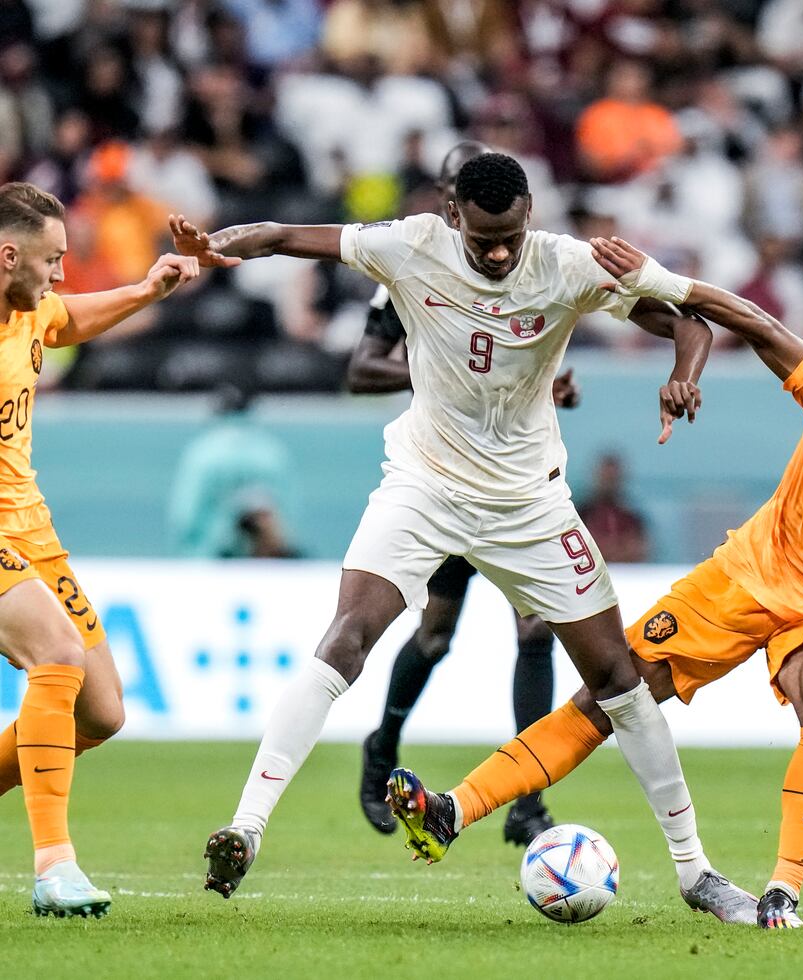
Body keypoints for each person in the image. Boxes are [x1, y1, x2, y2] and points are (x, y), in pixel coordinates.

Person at [171, 151, 758, 923]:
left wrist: (684, 372)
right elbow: (284, 234)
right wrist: (219, 244)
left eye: (512, 235)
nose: (500, 253)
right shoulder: (409, 245)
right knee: (349, 635)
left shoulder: (565, 263)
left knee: (619, 677)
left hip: (529, 505)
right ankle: (245, 829)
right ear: (454, 217)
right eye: (485, 239)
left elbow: (687, 320)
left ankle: (695, 872)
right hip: (425, 485)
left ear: (529, 216)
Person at [393, 234, 803, 931]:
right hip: (736, 582)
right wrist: (661, 280)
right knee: (607, 700)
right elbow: (761, 326)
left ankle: (783, 892)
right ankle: (453, 812)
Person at [349, 141, 577, 846]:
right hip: (444, 478)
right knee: (436, 633)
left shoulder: (531, 270)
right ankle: (380, 748)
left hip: (515, 481)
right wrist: (441, 372)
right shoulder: (408, 274)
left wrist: (550, 384)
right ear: (446, 204)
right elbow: (360, 369)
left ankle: (528, 797)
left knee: (535, 630)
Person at [0, 181, 199, 917]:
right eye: (51, 260)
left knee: (103, 713)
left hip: (32, 533)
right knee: (55, 654)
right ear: (8, 253)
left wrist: (148, 289)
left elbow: (66, 318)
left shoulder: (25, 311)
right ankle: (55, 867)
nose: (59, 274)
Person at [168, 383, 301, 559]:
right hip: (266, 566)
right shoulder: (272, 451)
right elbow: (289, 515)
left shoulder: (202, 452)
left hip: (211, 562)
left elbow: (185, 517)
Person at [577, 451, 650, 563]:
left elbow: (641, 549)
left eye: (613, 478)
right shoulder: (582, 514)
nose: (609, 483)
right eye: (606, 477)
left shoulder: (631, 516)